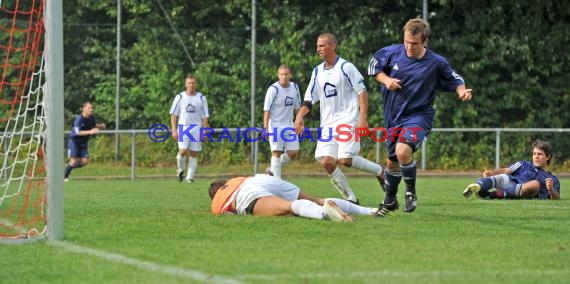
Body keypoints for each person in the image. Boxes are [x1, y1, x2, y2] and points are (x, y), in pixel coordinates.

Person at [367, 18, 473, 214]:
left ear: (424, 41)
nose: (409, 46)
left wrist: (461, 91)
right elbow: (373, 67)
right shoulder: (391, 52)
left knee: (402, 151)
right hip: (394, 117)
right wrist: (386, 80)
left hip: (419, 115)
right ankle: (390, 199)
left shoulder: (436, 62)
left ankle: (410, 192)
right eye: (406, 41)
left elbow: (455, 79)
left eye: (414, 43)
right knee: (392, 161)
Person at [294, 32, 386, 206]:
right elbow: (309, 99)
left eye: (322, 45)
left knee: (345, 160)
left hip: (348, 120)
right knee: (327, 161)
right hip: (328, 125)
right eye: (317, 46)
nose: (318, 49)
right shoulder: (317, 71)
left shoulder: (346, 67)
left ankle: (380, 171)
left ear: (333, 46)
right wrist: (299, 117)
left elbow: (362, 92)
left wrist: (363, 119)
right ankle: (351, 199)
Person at [209, 174, 383, 221]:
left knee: (289, 207)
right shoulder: (235, 180)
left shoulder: (218, 201)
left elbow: (227, 215)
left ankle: (325, 214)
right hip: (260, 179)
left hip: (247, 195)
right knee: (315, 199)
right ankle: (369, 210)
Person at [463, 139, 560, 200]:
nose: (536, 157)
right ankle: (477, 186)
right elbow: (506, 170)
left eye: (540, 154)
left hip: (524, 192)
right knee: (502, 177)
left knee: (535, 184)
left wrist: (551, 189)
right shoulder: (523, 164)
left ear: (548, 157)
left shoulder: (552, 179)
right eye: (534, 154)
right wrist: (492, 172)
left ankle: (490, 195)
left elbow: (556, 198)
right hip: (511, 183)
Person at [263, 64, 302, 179]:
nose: (284, 77)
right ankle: (277, 181)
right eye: (281, 74)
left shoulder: (295, 87)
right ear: (278, 75)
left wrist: (300, 122)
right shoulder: (273, 89)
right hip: (275, 126)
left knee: (293, 153)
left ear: (290, 75)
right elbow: (267, 110)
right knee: (276, 152)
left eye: (286, 74)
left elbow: (297, 108)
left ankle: (272, 168)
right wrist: (265, 128)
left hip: (289, 125)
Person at [169, 74, 209, 183]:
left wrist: (204, 131)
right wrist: (173, 129)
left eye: (193, 83)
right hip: (183, 128)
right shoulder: (180, 97)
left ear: (196, 84)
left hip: (196, 128)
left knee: (194, 153)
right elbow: (173, 114)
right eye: (189, 83)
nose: (191, 85)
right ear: (185, 84)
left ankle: (190, 178)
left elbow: (205, 116)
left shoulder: (201, 98)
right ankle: (180, 170)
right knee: (182, 151)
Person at [64, 102, 106, 181]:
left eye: (91, 108)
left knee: (85, 162)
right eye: (89, 108)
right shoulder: (79, 119)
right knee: (73, 161)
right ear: (84, 109)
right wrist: (90, 131)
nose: (91, 110)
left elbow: (93, 125)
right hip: (74, 141)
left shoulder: (91, 118)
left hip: (83, 143)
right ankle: (65, 176)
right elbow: (78, 132)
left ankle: (69, 166)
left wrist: (101, 126)